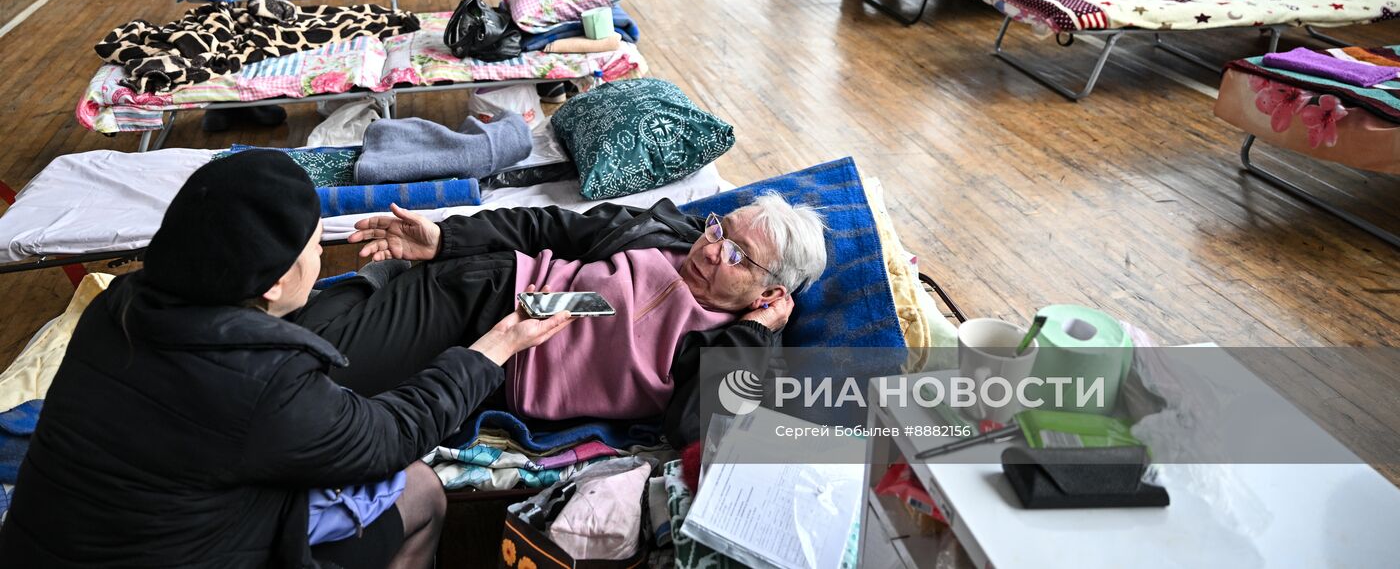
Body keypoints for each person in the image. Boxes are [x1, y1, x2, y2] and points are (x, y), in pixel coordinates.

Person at [0, 151, 572, 568]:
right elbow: (388, 437)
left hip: (44, 547)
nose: (324, 253)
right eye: (316, 246)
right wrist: (494, 348)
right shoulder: (264, 379)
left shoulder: (117, 306)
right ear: (274, 283)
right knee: (418, 488)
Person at [333, 191, 829, 446]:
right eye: (720, 230)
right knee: (325, 369)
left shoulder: (728, 344)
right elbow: (549, 225)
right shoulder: (667, 230)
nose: (713, 249)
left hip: (499, 370)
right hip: (483, 293)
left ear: (771, 292)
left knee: (329, 380)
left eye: (739, 256)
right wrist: (446, 238)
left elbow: (695, 428)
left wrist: (754, 331)